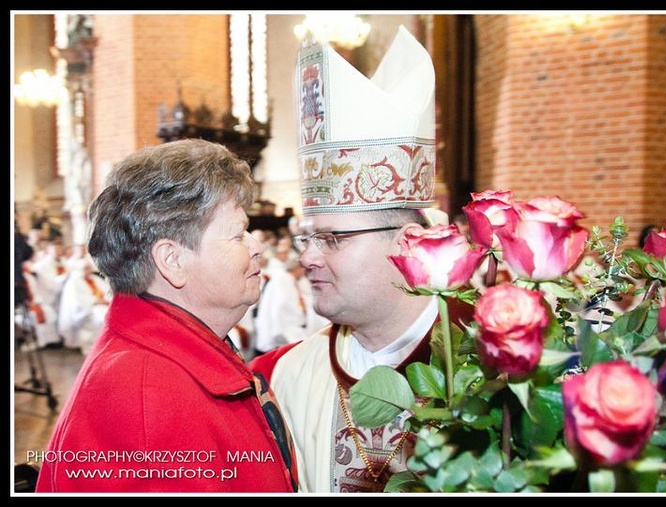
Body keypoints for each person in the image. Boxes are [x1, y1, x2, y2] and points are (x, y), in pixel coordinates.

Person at [250, 26, 472, 493]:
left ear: (408, 243)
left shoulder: (490, 369)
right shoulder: (282, 376)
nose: (307, 256)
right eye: (308, 237)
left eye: (332, 238)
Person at [35, 139, 297, 493]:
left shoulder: (171, 354)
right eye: (238, 234)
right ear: (172, 261)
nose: (257, 246)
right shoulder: (145, 396)